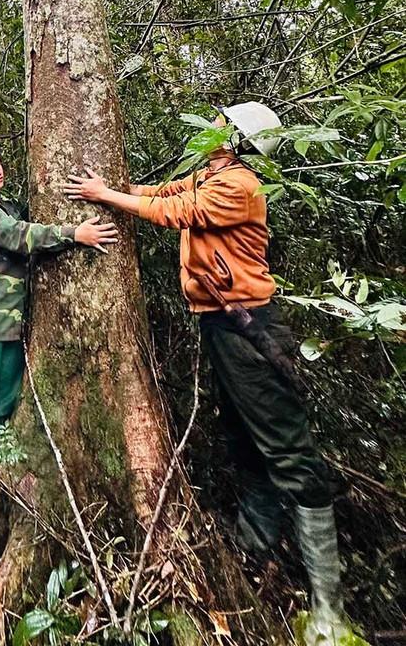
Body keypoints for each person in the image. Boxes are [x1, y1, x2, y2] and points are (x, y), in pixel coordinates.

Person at [64, 102, 360, 646]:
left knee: (287, 449)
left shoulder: (238, 186)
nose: (214, 131)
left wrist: (105, 198)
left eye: (224, 127)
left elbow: (176, 214)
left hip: (251, 331)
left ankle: (329, 611)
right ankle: (253, 544)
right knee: (242, 438)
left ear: (241, 142)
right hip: (222, 328)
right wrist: (113, 186)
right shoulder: (210, 173)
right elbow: (163, 195)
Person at [0, 144, 118, 461]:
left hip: (10, 326)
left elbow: (26, 223)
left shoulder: (8, 207)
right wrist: (74, 233)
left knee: (4, 408)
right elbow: (19, 235)